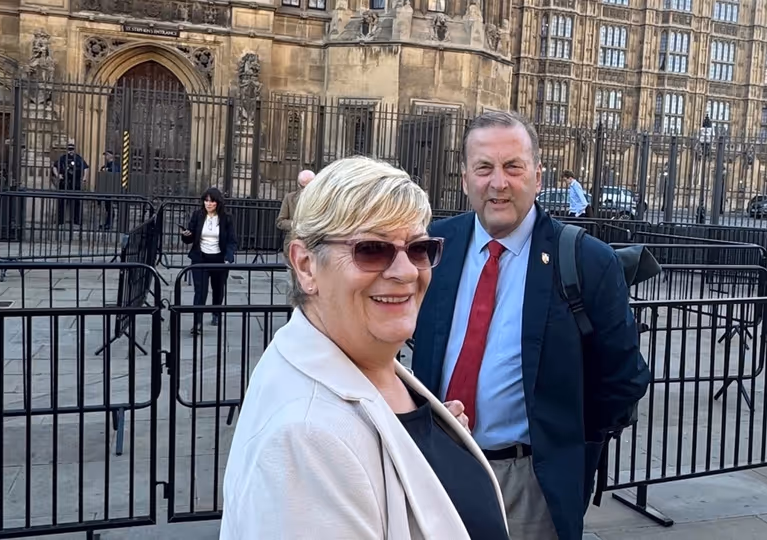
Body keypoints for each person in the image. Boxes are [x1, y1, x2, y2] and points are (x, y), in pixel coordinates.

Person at [221, 156, 509, 540]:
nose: (406, 271)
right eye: (372, 249)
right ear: (306, 265)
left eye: (418, 248)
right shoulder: (307, 441)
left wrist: (433, 438)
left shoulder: (367, 362)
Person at [412, 111, 650, 540]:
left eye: (512, 167)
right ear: (465, 177)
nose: (498, 183)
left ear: (538, 177)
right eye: (484, 168)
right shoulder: (432, 246)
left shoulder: (588, 260)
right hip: (433, 467)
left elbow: (624, 378)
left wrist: (565, 442)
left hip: (528, 484)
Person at [180, 187, 238, 335]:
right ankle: (197, 322)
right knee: (200, 291)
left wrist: (228, 257)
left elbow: (232, 241)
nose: (208, 204)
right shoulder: (197, 215)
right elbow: (190, 237)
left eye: (211, 201)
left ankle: (216, 312)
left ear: (218, 203)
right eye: (206, 201)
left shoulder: (227, 218)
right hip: (200, 258)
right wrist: (187, 234)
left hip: (219, 259)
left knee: (218, 289)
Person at [275, 169, 315, 263]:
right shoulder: (290, 198)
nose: (306, 190)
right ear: (298, 185)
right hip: (293, 246)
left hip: (314, 247)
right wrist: (295, 224)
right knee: (293, 276)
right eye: (303, 187)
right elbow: (280, 222)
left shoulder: (322, 199)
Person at [51, 142, 89, 226]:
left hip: (76, 183)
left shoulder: (78, 158)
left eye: (72, 149)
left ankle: (77, 221)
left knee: (77, 202)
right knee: (62, 202)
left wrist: (84, 178)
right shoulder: (63, 158)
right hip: (64, 182)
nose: (70, 151)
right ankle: (60, 220)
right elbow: (54, 166)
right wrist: (58, 175)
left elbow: (86, 167)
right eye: (69, 149)